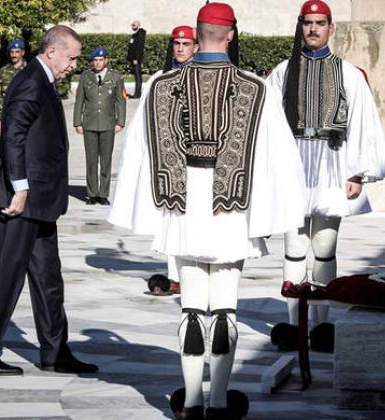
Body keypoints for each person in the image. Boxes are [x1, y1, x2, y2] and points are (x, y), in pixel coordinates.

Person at [108, 3, 305, 418]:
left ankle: (192, 401)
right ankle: (219, 402)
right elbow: (278, 158)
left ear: (197, 35)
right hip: (230, 208)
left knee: (192, 307)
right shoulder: (255, 88)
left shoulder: (162, 84)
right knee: (225, 307)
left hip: (182, 207)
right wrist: (274, 212)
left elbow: (138, 157)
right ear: (230, 34)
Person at [0, 25, 98, 376]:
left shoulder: (44, 81)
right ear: (52, 51)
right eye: (71, 57)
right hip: (21, 200)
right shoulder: (29, 82)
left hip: (40, 201)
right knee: (8, 278)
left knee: (49, 278)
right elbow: (13, 137)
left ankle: (56, 351)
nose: (73, 64)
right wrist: (20, 187)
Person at [266, 0, 385, 353]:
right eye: (307, 23)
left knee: (323, 247)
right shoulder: (283, 72)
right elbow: (269, 125)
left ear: (331, 28)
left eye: (320, 23)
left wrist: (358, 172)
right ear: (301, 26)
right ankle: (294, 326)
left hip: (332, 161)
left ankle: (321, 325)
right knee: (293, 248)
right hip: (293, 160)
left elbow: (362, 122)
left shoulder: (349, 73)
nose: (313, 29)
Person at [146, 25, 198, 296]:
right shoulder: (160, 78)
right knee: (170, 218)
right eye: (176, 43)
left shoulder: (202, 76)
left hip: (196, 158)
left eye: (185, 43)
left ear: (196, 46)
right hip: (168, 158)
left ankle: (193, 272)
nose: (180, 48)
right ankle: (174, 276)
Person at [73, 47, 126, 205]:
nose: (97, 63)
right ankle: (92, 194)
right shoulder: (85, 77)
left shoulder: (116, 77)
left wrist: (120, 121)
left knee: (106, 160)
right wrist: (77, 122)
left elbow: (121, 101)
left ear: (106, 61)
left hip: (108, 124)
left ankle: (103, 194)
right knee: (91, 160)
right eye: (95, 60)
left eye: (100, 60)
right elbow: (79, 101)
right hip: (89, 123)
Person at [0, 39, 27, 132]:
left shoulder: (30, 71)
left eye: (17, 52)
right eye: (12, 52)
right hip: (8, 117)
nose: (14, 55)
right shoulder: (3, 71)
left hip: (27, 116)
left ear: (22, 53)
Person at [127, 20, 146, 98]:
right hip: (133, 59)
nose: (132, 26)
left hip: (136, 59)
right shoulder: (135, 35)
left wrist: (136, 58)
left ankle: (137, 93)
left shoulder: (140, 34)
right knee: (136, 76)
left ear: (138, 25)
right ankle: (137, 93)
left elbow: (139, 48)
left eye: (134, 25)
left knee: (138, 76)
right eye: (132, 25)